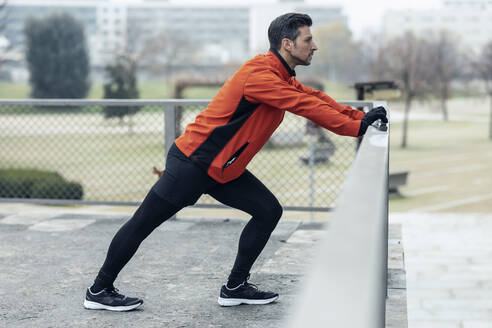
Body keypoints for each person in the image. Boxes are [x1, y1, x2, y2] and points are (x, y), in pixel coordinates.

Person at [83, 12, 388, 312]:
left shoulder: (278, 74)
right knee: (143, 224)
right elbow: (303, 105)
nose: (315, 46)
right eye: (309, 40)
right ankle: (98, 290)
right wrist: (355, 128)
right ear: (287, 44)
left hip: (221, 169)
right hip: (191, 164)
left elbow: (312, 96)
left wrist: (359, 117)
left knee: (268, 211)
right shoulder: (261, 77)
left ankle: (235, 287)